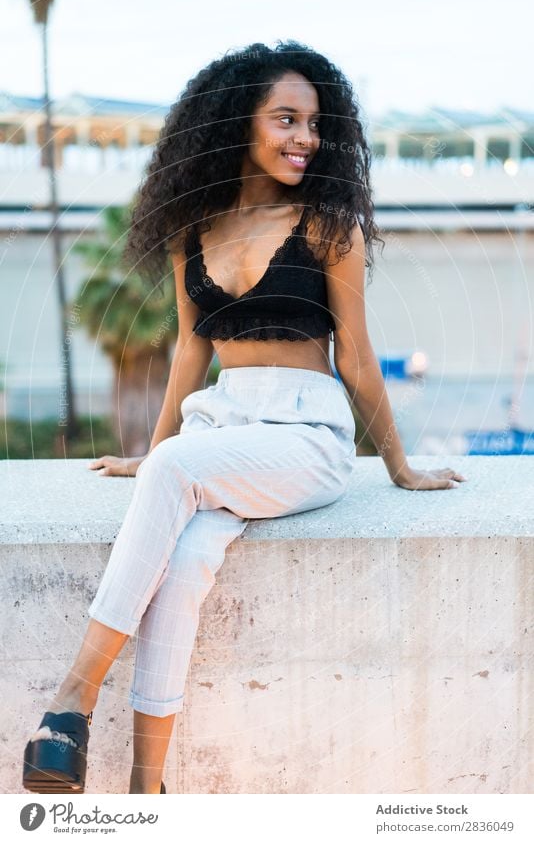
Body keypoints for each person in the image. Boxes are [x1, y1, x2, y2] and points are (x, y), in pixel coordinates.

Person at [22, 40, 466, 796]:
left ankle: (72, 700)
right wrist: (152, 452)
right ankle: (146, 791)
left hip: (306, 438)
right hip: (218, 433)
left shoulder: (329, 225)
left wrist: (399, 465)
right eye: (285, 118)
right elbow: (193, 354)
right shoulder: (194, 230)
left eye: (314, 123)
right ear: (236, 124)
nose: (305, 138)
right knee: (187, 561)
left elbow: (356, 358)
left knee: (177, 476)